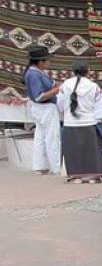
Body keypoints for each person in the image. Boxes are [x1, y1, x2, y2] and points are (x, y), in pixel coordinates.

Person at [56, 60, 102, 183]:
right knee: (93, 151)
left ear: (73, 71)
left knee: (73, 151)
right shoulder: (93, 87)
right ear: (88, 71)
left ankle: (76, 176)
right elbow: (99, 106)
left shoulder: (65, 85)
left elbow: (59, 104)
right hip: (89, 122)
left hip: (70, 123)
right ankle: (93, 176)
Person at [24, 45, 62, 175]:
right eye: (47, 60)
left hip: (39, 109)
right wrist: (57, 90)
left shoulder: (34, 72)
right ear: (40, 62)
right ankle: (55, 167)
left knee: (40, 137)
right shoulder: (34, 74)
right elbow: (39, 96)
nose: (49, 62)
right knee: (52, 137)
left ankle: (39, 166)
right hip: (45, 108)